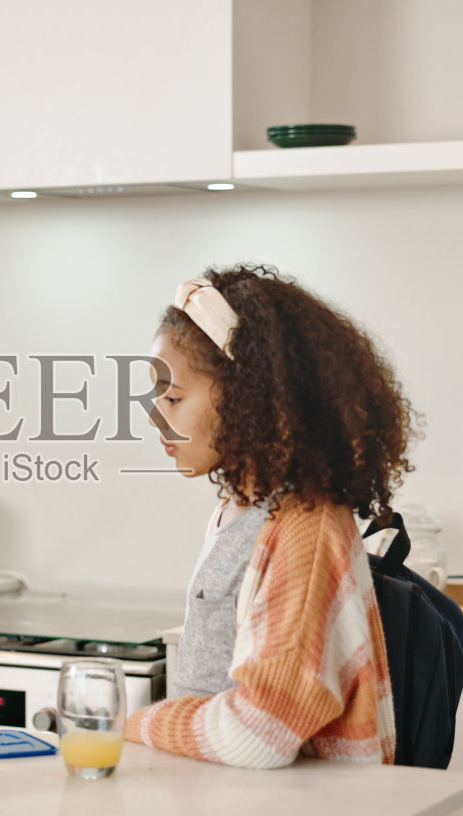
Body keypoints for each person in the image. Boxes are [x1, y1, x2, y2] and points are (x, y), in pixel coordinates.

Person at [127, 264, 417, 768]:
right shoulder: (240, 507)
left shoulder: (305, 524)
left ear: (249, 399)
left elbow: (261, 733)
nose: (156, 415)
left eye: (173, 397)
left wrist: (131, 724)